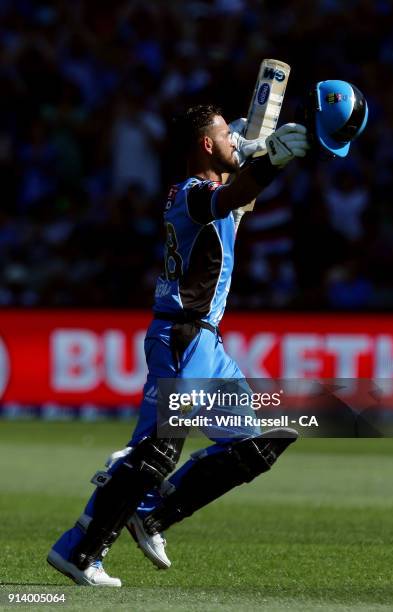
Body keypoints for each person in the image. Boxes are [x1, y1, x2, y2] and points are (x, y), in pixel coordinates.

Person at [47, 104, 309, 586]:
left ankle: (151, 516)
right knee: (158, 451)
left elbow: (236, 192)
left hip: (209, 344)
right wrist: (270, 161)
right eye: (226, 136)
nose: (236, 139)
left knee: (264, 441)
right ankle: (79, 551)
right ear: (206, 145)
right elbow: (234, 194)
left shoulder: (214, 192)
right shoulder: (190, 195)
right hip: (182, 337)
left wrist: (254, 158)